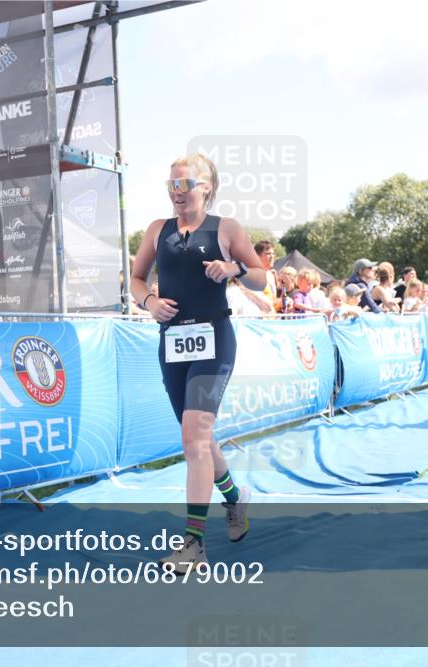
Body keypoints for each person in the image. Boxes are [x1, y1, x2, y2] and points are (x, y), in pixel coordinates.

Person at [129, 154, 267, 574]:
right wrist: (149, 302)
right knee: (200, 440)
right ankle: (234, 497)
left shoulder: (226, 228)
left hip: (214, 342)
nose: (177, 191)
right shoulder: (157, 230)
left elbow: (262, 276)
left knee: (193, 438)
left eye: (185, 183)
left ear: (206, 187)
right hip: (172, 344)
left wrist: (234, 269)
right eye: (171, 184)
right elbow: (136, 279)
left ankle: (193, 543)